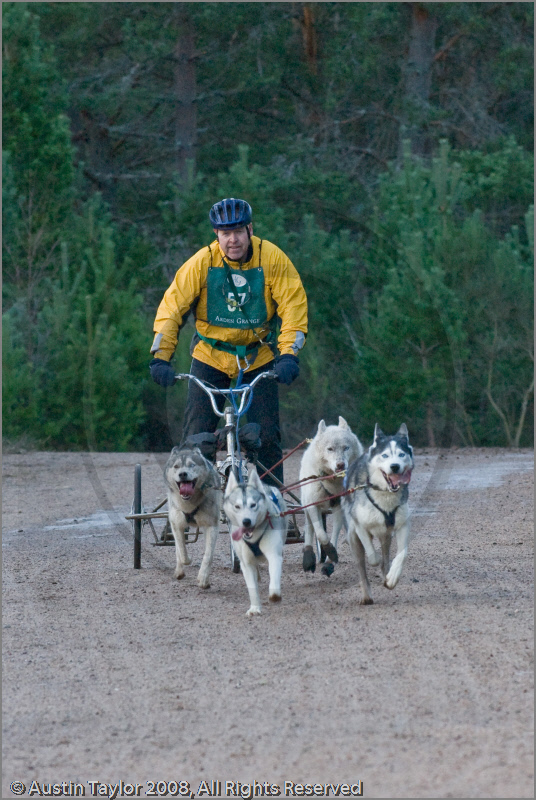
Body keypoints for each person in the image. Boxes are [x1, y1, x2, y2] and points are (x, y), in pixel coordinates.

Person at [149, 197, 308, 487]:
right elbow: (171, 309)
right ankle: (192, 503)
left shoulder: (272, 258)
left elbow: (293, 308)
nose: (232, 240)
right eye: (225, 233)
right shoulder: (202, 262)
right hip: (210, 355)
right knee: (196, 437)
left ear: (250, 230)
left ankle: (271, 501)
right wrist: (161, 357)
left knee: (266, 436)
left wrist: (288, 355)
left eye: (238, 231)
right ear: (216, 234)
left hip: (257, 357)